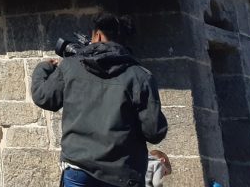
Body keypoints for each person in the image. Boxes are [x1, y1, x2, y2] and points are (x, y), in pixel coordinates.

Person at [31, 13, 168, 187]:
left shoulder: (70, 66)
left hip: (78, 169)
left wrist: (43, 68)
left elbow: (44, 97)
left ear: (98, 35)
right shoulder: (141, 76)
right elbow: (154, 132)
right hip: (123, 174)